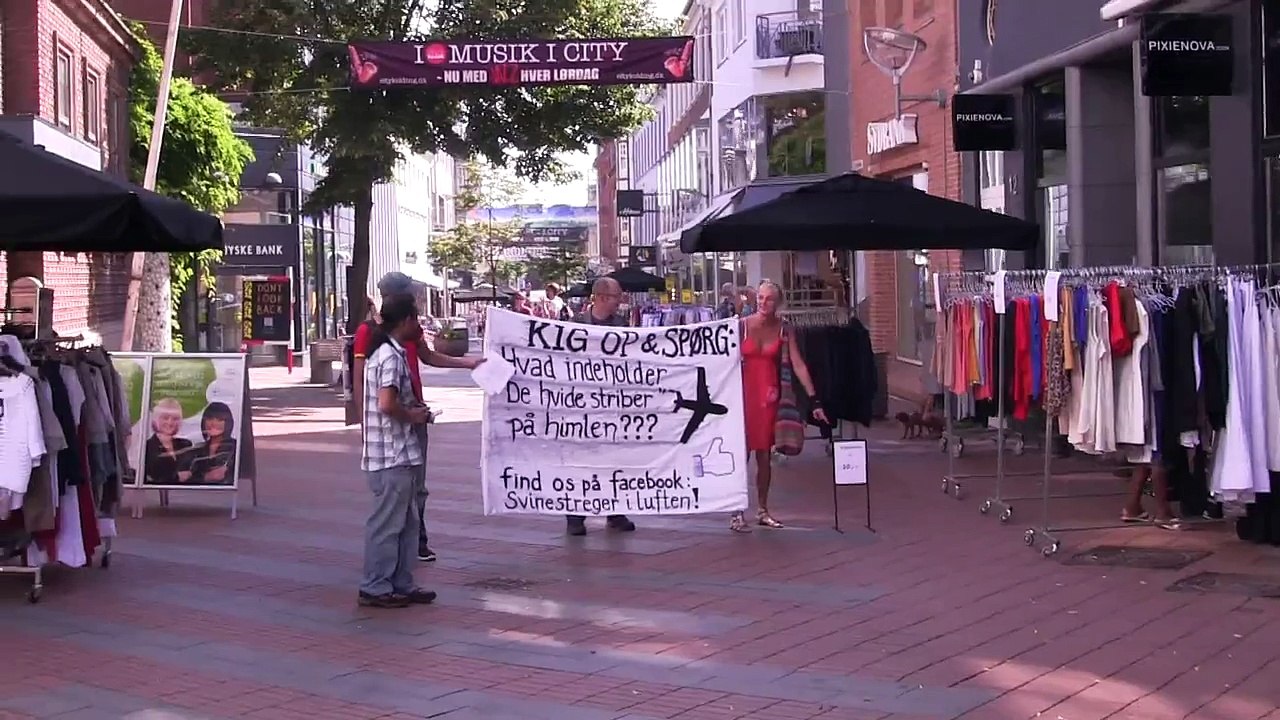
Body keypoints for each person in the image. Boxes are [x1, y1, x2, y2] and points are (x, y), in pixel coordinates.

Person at [353, 272, 485, 563]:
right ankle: (393, 561)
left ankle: (416, 539)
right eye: (408, 295)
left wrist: (467, 363)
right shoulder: (372, 334)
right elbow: (361, 377)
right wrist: (365, 419)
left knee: (417, 484)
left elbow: (428, 355)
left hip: (414, 412)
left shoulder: (409, 329)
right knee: (393, 490)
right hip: (395, 418)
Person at [358, 294, 436, 608]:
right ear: (405, 320)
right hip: (390, 454)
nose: (418, 325)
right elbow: (387, 404)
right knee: (388, 524)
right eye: (416, 319)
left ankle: (401, 582)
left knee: (407, 522)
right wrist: (412, 415)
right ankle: (375, 585)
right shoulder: (389, 356)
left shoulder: (392, 352)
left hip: (400, 454)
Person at [732, 280, 827, 532]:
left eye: (769, 299)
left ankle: (762, 509)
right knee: (740, 455)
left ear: (778, 302)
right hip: (742, 396)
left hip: (769, 396)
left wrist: (814, 398)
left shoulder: (785, 329)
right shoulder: (741, 326)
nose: (764, 303)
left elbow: (798, 364)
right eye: (761, 298)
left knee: (764, 456)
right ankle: (736, 512)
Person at [566, 277, 638, 536]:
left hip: (612, 405)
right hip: (582, 406)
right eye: (617, 296)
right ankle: (575, 515)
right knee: (580, 461)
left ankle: (614, 512)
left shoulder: (621, 324)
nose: (620, 301)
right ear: (601, 297)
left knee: (614, 460)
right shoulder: (574, 325)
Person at [143, 397, 193, 485]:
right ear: (156, 420)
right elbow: (149, 480)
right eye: (165, 418)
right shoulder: (146, 447)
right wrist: (177, 478)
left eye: (175, 419)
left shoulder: (186, 445)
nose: (170, 423)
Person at [187, 402, 238, 485]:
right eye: (210, 418)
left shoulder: (236, 448)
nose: (213, 423)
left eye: (219, 419)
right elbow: (187, 481)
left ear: (228, 423)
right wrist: (206, 477)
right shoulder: (197, 450)